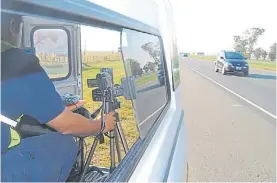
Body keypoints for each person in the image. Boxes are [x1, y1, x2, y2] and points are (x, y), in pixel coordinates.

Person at [1, 12, 117, 182]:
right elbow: (66, 125)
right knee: (63, 142)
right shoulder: (17, 63)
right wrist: (101, 125)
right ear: (13, 26)